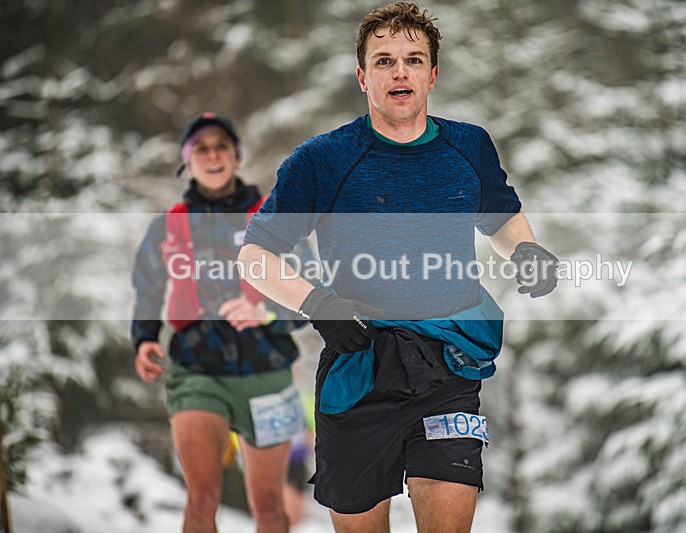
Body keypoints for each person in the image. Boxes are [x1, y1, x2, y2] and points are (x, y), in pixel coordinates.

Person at [238, 3, 558, 532]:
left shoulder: (469, 145)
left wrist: (526, 251)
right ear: (363, 77)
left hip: (450, 363)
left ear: (433, 74)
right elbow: (255, 257)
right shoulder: (322, 160)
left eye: (413, 59)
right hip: (360, 367)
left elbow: (502, 218)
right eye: (384, 61)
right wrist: (320, 305)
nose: (400, 72)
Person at [131, 112, 306, 533]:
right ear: (187, 161)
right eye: (201, 148)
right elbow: (147, 289)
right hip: (197, 370)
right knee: (202, 498)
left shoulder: (274, 218)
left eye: (221, 146)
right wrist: (144, 340)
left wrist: (265, 312)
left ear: (236, 156)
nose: (213, 155)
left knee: (268, 506)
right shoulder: (167, 227)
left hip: (267, 373)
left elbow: (309, 293)